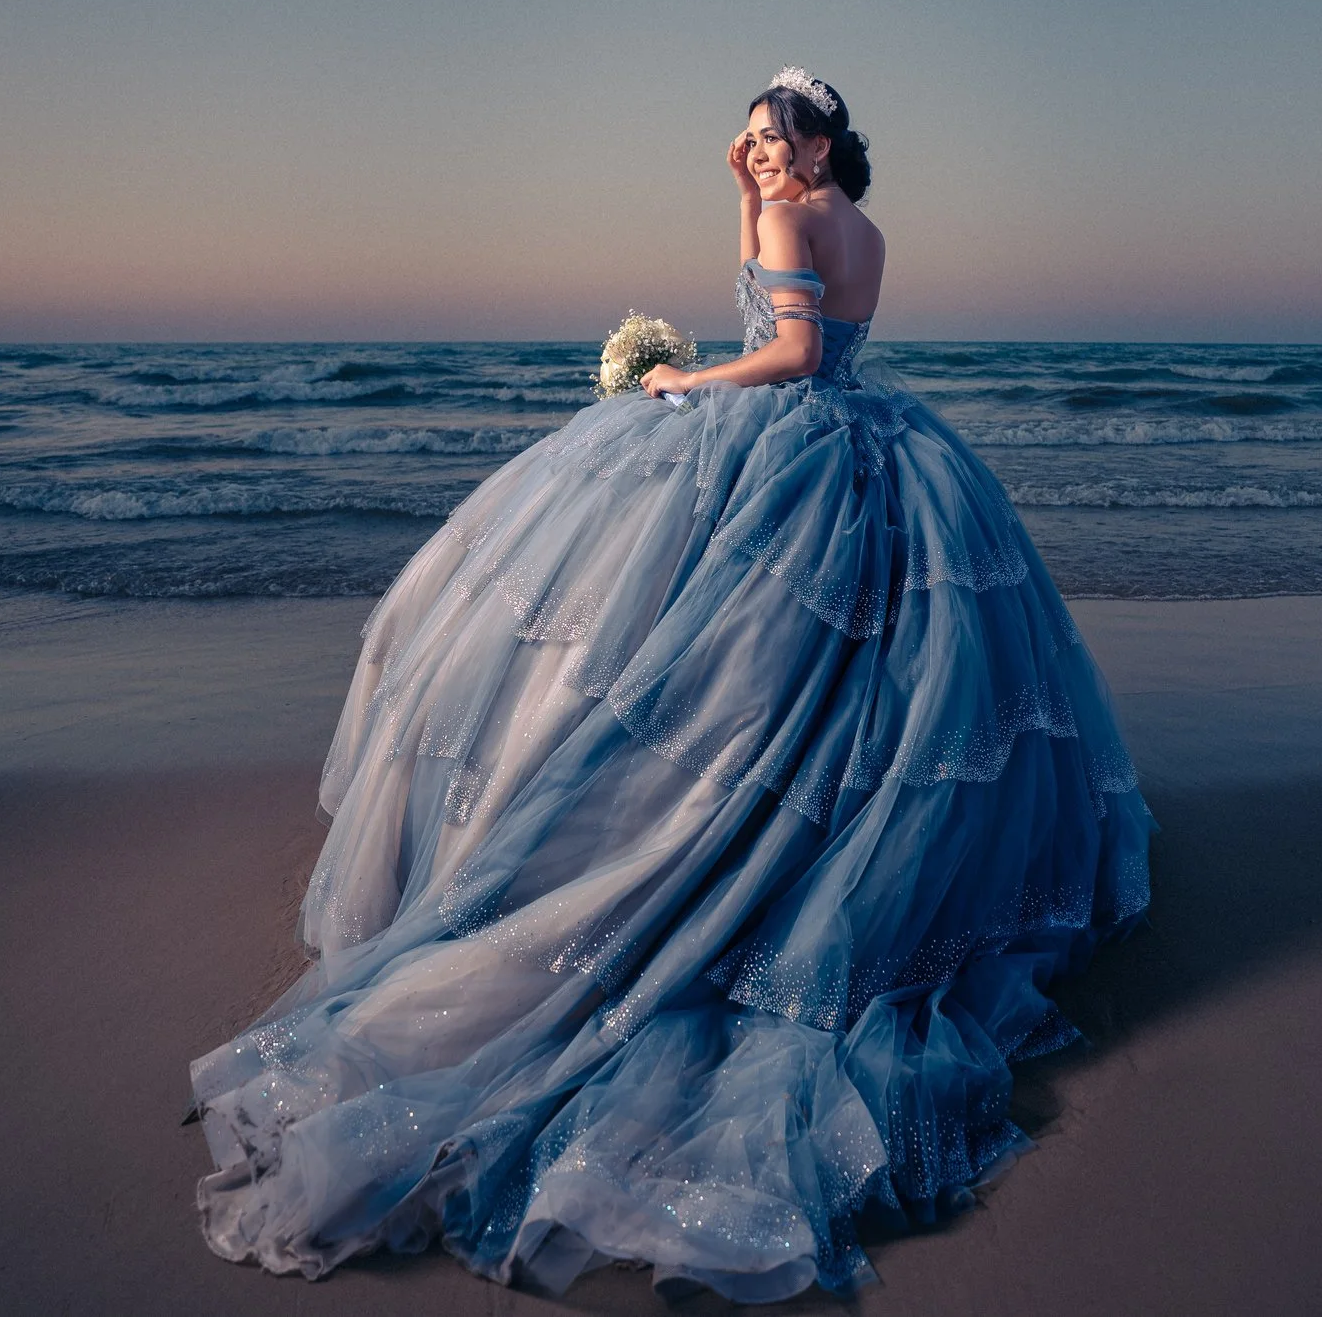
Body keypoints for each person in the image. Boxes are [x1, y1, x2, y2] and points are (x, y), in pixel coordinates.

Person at [190, 68, 1155, 1302]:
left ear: (819, 141)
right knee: (866, 690)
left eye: (778, 134)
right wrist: (746, 183)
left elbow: (792, 350)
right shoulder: (862, 223)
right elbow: (823, 331)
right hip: (881, 438)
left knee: (708, 674)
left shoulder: (790, 214)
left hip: (796, 435)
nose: (758, 152)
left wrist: (682, 384)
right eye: (750, 137)